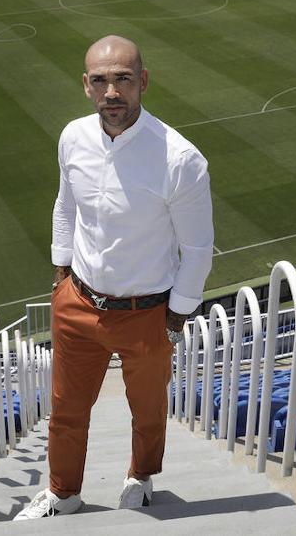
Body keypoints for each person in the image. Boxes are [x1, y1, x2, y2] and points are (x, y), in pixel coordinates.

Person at [15, 35, 213, 519]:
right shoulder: (72, 137)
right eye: (101, 80)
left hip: (146, 312)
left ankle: (140, 477)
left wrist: (178, 315)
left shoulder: (180, 159)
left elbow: (199, 249)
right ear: (86, 86)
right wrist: (62, 270)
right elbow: (65, 204)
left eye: (123, 79)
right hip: (78, 301)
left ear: (142, 82)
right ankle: (64, 493)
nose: (112, 92)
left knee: (146, 411)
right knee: (65, 409)